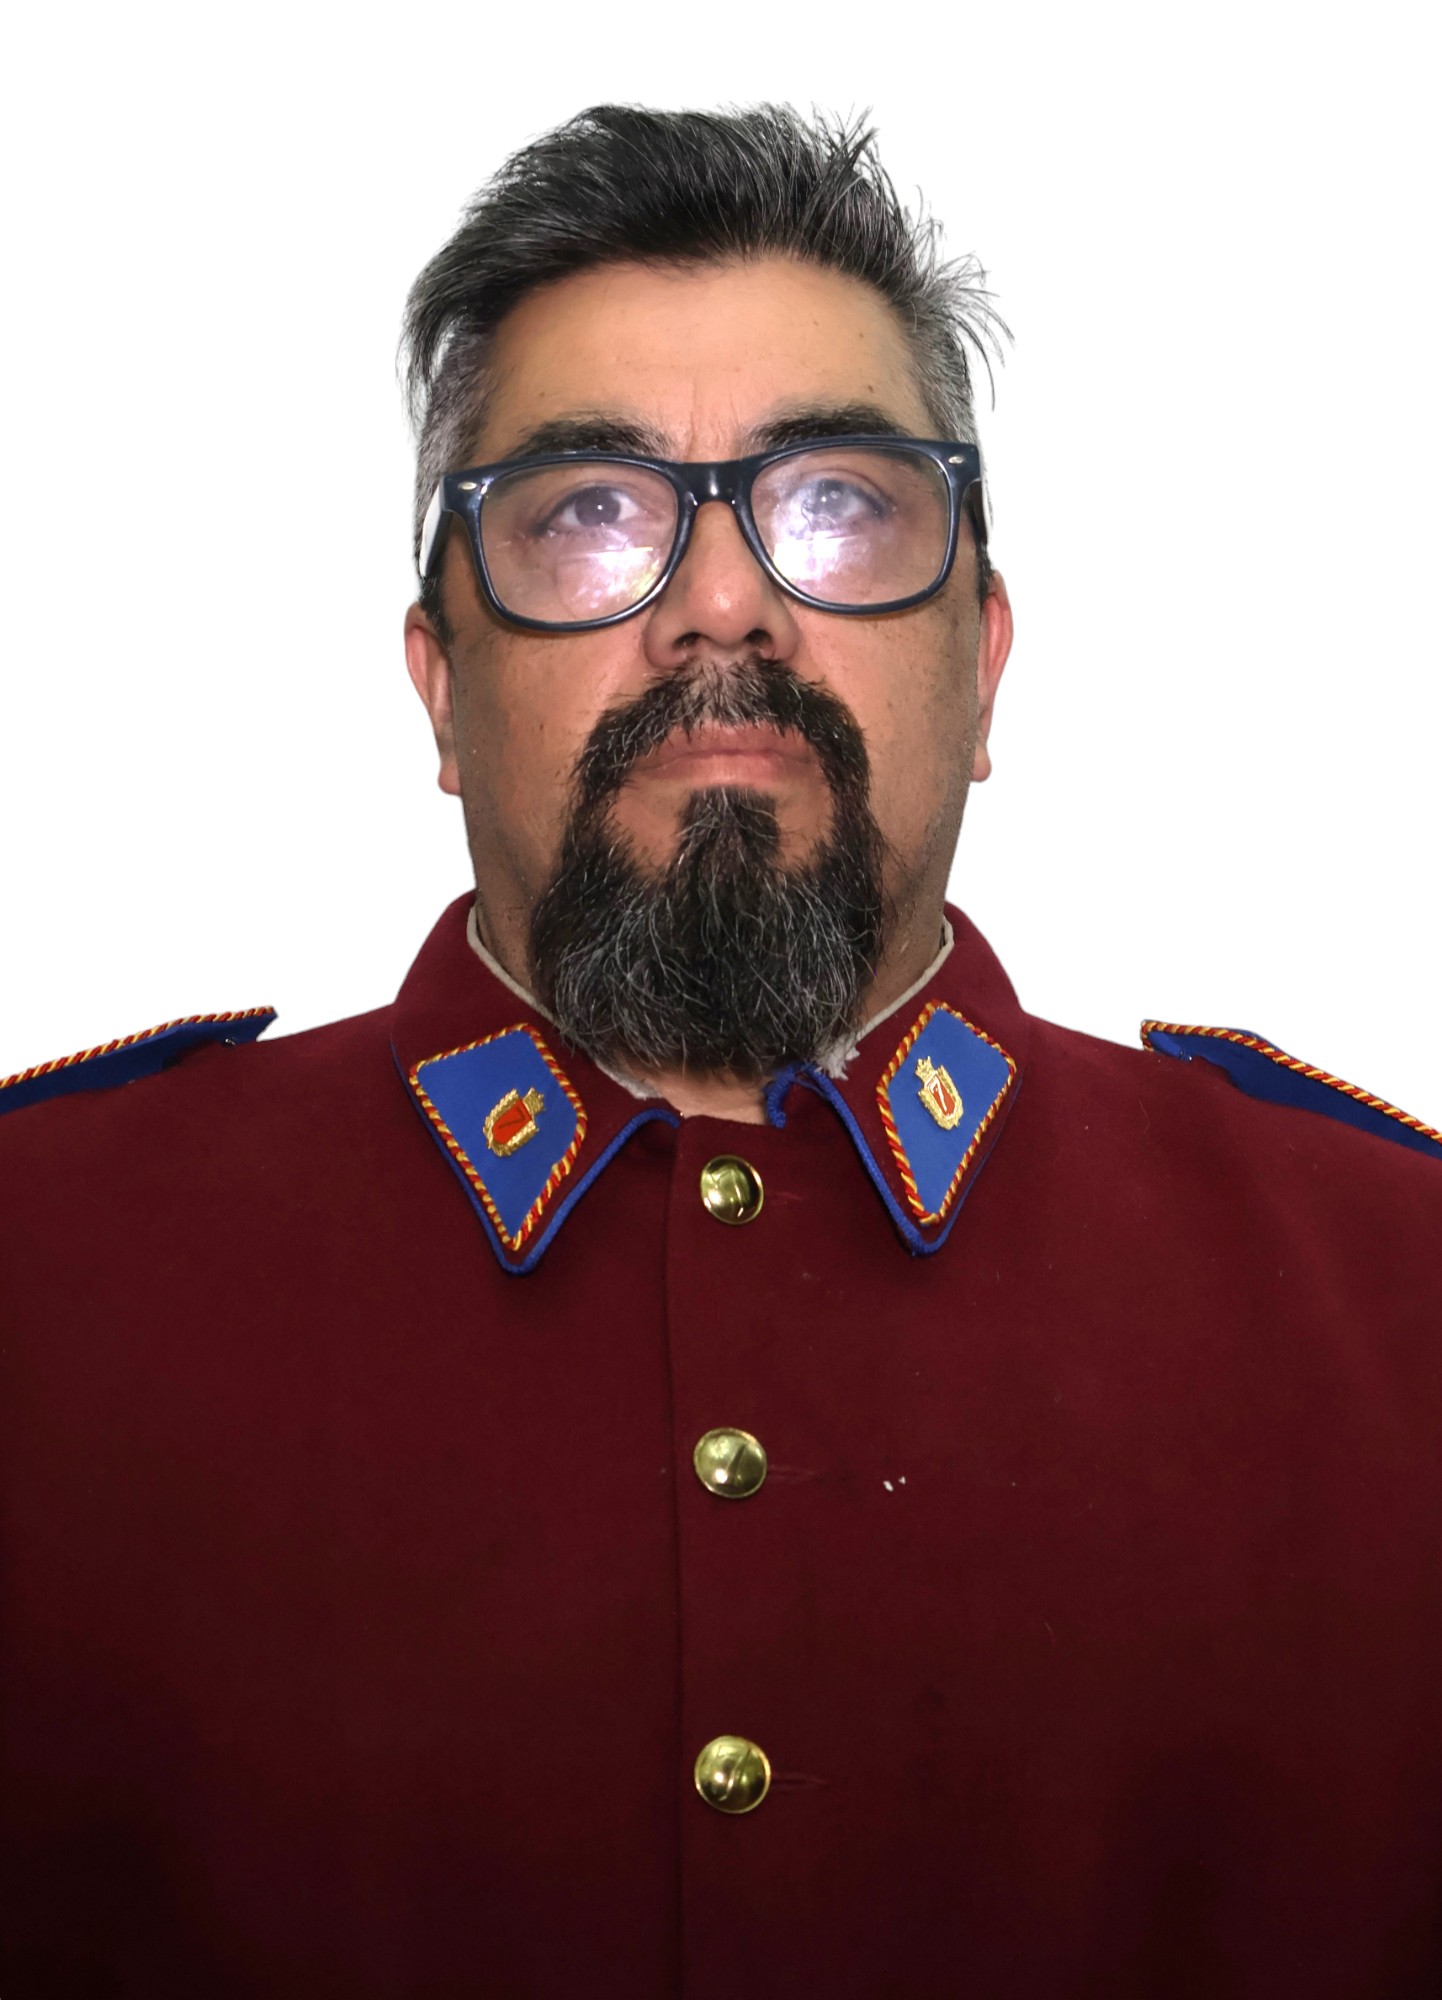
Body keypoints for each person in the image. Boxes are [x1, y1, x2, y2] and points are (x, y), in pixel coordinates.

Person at [2, 104, 1440, 2000]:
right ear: (440, 687)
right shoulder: (41, 1273)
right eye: (588, 515)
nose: (719, 603)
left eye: (835, 504)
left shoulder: (1396, 1291)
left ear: (981, 663)